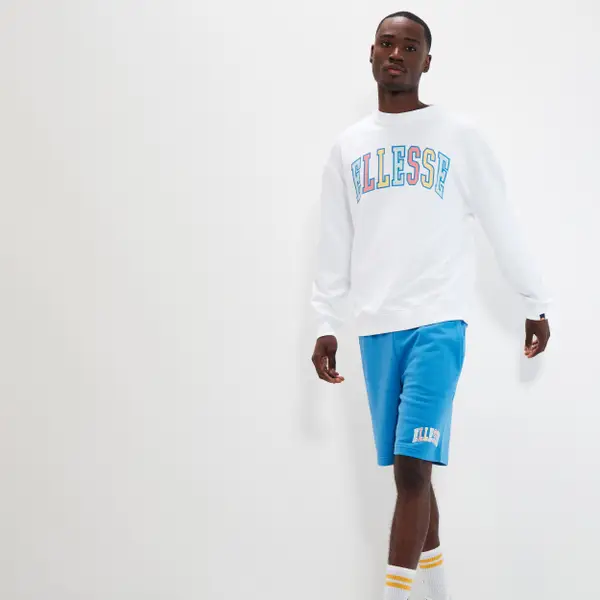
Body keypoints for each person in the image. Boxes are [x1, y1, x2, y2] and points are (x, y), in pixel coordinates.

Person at [310, 10, 551, 600]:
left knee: (414, 468)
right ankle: (438, 586)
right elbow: (334, 242)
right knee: (406, 468)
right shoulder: (348, 147)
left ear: (427, 61)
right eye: (387, 44)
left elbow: (500, 220)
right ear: (371, 53)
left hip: (438, 322)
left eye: (410, 46)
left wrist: (534, 299)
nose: (396, 54)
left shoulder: (458, 136)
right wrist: (325, 323)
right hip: (375, 326)